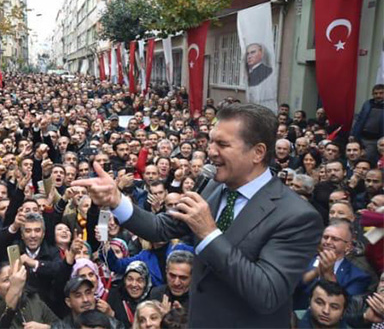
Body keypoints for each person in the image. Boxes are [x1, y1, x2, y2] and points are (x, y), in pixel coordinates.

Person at [74, 103, 324, 327]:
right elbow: (161, 228)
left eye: (223, 144)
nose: (211, 152)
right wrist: (117, 200)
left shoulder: (297, 216)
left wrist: (209, 233)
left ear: (258, 152)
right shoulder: (214, 186)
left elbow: (267, 293)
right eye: (211, 141)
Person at [51, 277, 125, 329]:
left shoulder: (113, 325)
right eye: (78, 295)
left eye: (88, 293)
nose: (85, 299)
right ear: (68, 302)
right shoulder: (59, 327)